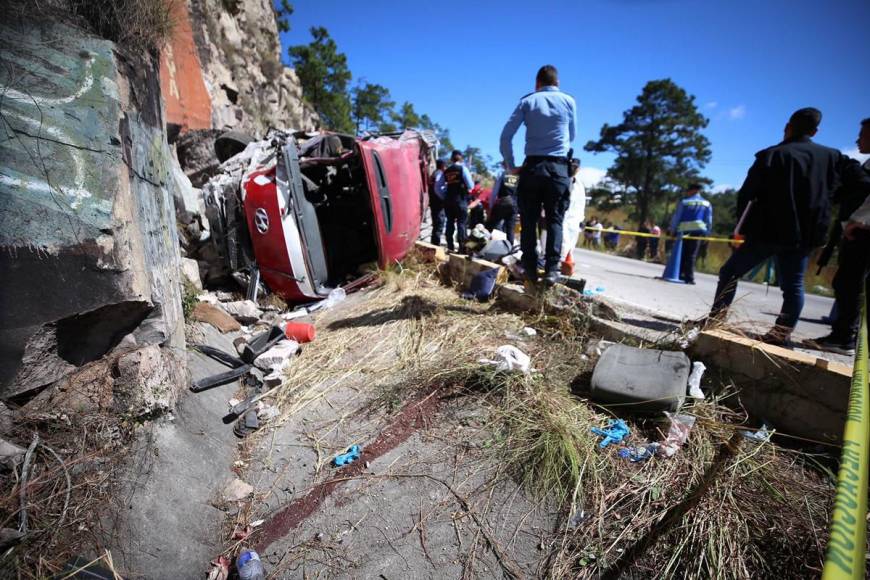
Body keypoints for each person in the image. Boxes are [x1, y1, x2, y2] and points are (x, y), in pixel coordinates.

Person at [708, 108, 870, 345]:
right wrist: (830, 198)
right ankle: (780, 334)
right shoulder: (833, 157)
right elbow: (863, 183)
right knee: (792, 286)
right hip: (805, 234)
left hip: (768, 232)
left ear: (788, 127)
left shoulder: (772, 155)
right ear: (815, 131)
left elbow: (747, 196)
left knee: (730, 272)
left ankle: (715, 320)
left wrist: (740, 228)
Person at [499, 64, 577, 285]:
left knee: (529, 220)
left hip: (532, 167)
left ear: (537, 84)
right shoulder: (569, 101)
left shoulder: (528, 101)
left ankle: (531, 269)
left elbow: (505, 136)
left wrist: (512, 166)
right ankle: (552, 270)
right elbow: (572, 136)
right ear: (558, 83)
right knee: (555, 220)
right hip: (558, 168)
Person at [810, 118, 870, 355]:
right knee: (847, 282)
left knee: (850, 284)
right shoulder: (866, 164)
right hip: (857, 232)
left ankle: (844, 337)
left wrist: (861, 224)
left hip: (863, 234)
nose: (857, 139)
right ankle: (842, 335)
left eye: (863, 134)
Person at [669, 183, 712, 285]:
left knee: (681, 253)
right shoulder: (706, 204)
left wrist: (672, 230)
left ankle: (679, 274)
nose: (687, 192)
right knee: (692, 255)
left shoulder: (684, 202)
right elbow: (708, 220)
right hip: (698, 231)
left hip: (683, 231)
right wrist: (707, 233)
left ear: (694, 190)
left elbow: (677, 217)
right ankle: (689, 277)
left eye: (688, 190)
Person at [443, 150, 474, 254]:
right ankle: (462, 248)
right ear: (461, 158)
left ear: (451, 158)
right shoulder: (463, 169)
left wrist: (444, 196)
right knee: (461, 224)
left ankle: (450, 246)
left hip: (448, 200)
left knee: (449, 222)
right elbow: (471, 186)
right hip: (460, 200)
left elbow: (438, 187)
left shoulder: (446, 171)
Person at [487, 161, 520, 244]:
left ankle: (490, 246)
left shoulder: (502, 174)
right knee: (510, 228)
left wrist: (490, 206)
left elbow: (495, 192)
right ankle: (509, 250)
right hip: (514, 203)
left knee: (492, 224)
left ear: (504, 165)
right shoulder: (518, 176)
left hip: (503, 201)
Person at [429, 160, 447, 246]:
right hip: (438, 202)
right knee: (439, 223)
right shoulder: (439, 174)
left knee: (436, 222)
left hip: (433, 201)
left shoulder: (433, 174)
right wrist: (443, 198)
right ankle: (436, 243)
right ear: (443, 165)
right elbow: (437, 188)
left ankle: (434, 242)